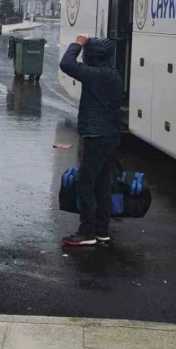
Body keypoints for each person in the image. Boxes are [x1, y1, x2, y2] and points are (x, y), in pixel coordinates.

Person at [59, 35, 123, 246]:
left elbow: (66, 64)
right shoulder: (111, 74)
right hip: (110, 135)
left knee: (85, 182)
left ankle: (86, 232)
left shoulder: (95, 75)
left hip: (96, 136)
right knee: (102, 183)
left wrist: (77, 43)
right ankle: (101, 230)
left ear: (92, 56)